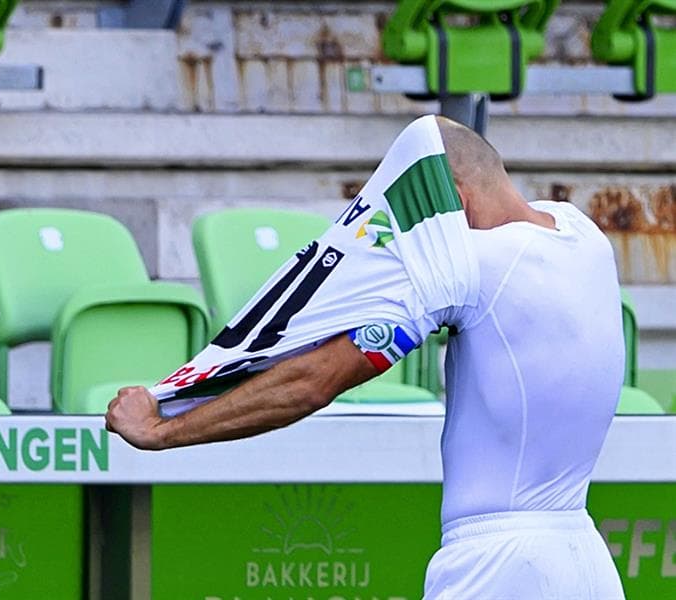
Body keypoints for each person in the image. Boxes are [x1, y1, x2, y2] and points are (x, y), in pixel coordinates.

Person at [105, 114, 626, 599]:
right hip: (586, 559)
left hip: (499, 567)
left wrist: (165, 429)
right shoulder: (583, 233)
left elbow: (311, 383)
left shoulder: (470, 266)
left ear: (455, 205)